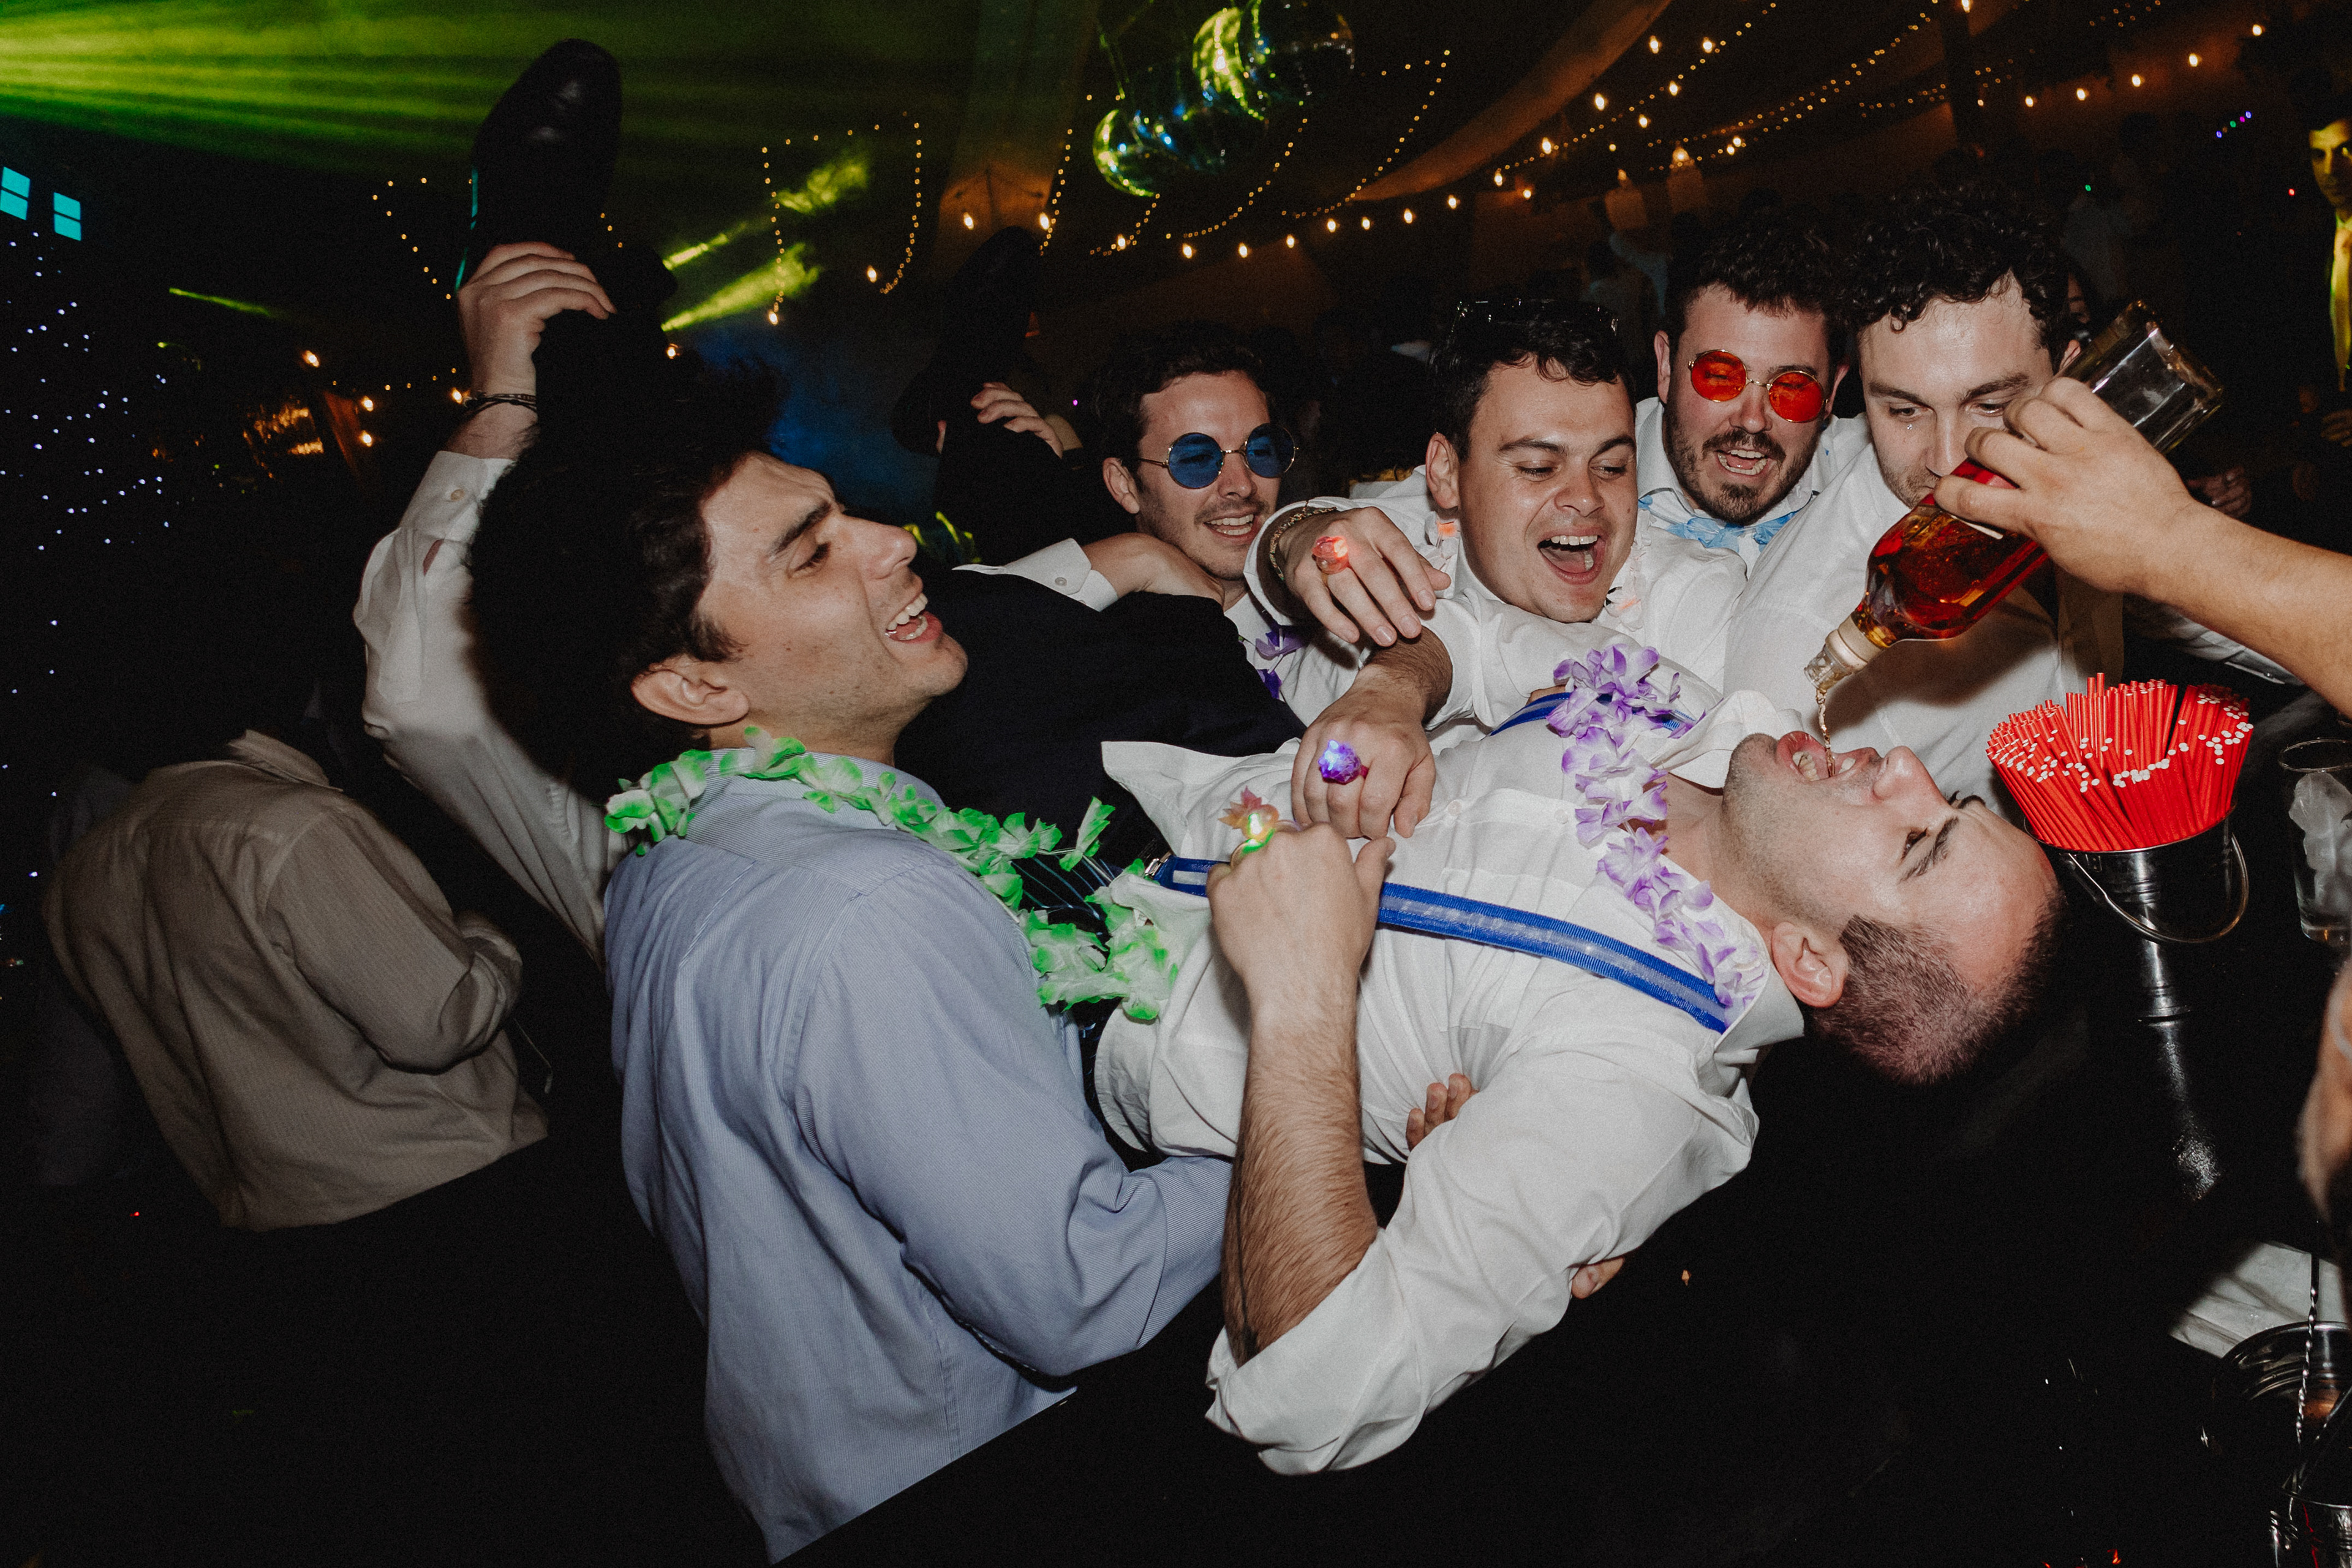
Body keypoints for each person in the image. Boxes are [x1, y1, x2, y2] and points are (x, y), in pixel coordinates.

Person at [448, 361, 1227, 1558]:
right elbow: (1088, 1288)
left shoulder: (671, 848)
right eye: (812, 554)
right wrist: (1314, 1102)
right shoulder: (870, 907)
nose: (893, 540)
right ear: (692, 682)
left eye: (845, 511)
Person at [1093, 625, 2064, 1472]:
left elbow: (1315, 1399)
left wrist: (1302, 998)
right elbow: (1470, 630)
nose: (1905, 768)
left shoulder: (1632, 1085)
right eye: (1952, 797)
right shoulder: (1699, 714)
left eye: (1914, 842)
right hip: (1148, 760)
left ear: (1810, 960)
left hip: (1085, 1003)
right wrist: (1395, 688)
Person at [1720, 181, 2283, 810]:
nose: (1945, 462)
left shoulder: (2082, 491)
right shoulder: (1791, 643)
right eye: (1904, 410)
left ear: (2070, 378)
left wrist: (2178, 542)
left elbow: (2279, 636)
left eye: (1989, 405)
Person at [1635, 210, 1868, 566]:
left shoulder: (1875, 482)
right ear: (1666, 366)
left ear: (1832, 390)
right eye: (1720, 377)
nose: (1753, 420)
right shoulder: (1578, 482)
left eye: (1793, 387)